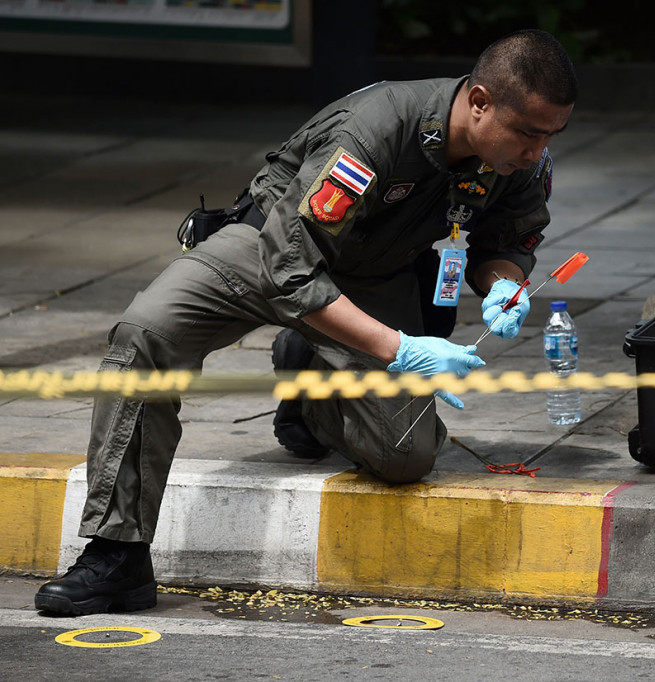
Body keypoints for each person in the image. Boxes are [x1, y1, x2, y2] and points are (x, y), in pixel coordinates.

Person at [34, 29, 577, 616]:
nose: (537, 150)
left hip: (373, 275)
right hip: (269, 246)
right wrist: (398, 348)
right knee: (147, 334)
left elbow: (509, 237)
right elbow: (291, 267)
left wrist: (502, 285)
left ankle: (310, 381)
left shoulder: (517, 161)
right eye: (528, 132)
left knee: (405, 455)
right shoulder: (373, 130)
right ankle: (116, 554)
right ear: (478, 102)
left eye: (552, 135)